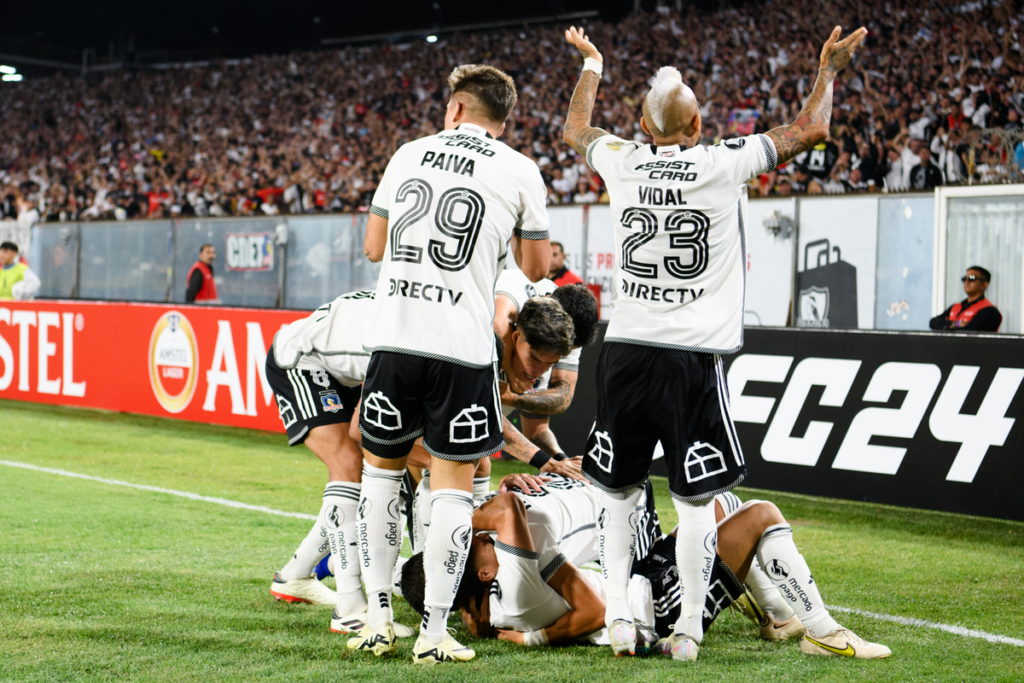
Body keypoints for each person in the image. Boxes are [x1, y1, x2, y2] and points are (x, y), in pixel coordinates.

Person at [560, 23, 866, 660]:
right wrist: (827, 69)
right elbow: (810, 129)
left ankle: (620, 620)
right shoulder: (724, 161)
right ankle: (690, 630)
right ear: (698, 125)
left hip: (625, 352)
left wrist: (592, 64)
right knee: (698, 501)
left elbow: (575, 131)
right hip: (691, 358)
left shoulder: (623, 159)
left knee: (618, 493)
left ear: (644, 129)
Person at [352, 63, 551, 665]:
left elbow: (373, 248)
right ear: (501, 117)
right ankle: (434, 631)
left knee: (381, 479)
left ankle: (377, 619)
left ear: (456, 109)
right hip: (461, 351)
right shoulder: (520, 170)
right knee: (452, 495)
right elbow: (538, 267)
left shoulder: (408, 153)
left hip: (395, 339)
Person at [265, 290, 579, 634]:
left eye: (549, 366)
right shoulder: (448, 350)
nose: (538, 374)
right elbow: (360, 428)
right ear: (514, 336)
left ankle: (294, 576)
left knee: (453, 463)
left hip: (353, 363)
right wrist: (446, 462)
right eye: (535, 359)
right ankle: (351, 609)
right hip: (303, 357)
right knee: (351, 463)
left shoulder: (472, 342)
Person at [401, 476, 890, 659]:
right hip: (657, 605)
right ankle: (821, 631)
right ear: (482, 575)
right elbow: (593, 610)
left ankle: (777, 618)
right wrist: (463, 516)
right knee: (761, 514)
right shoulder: (517, 590)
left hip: (644, 581)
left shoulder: (488, 607)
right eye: (472, 545)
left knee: (721, 507)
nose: (480, 537)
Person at [929, 266, 1002, 332]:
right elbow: (933, 322)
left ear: (984, 284)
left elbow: (969, 332)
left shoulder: (990, 310)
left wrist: (945, 325)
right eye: (964, 279)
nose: (966, 282)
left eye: (971, 278)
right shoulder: (955, 306)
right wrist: (957, 323)